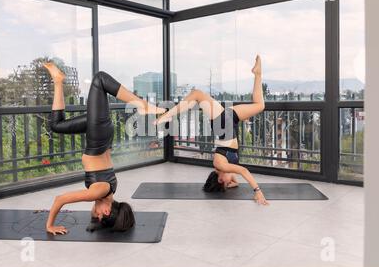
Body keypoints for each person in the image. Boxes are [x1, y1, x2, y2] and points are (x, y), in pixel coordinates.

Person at [43, 63, 165, 235]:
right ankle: (141, 104)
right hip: (98, 136)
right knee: (99, 79)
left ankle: (58, 80)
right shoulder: (98, 192)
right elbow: (60, 200)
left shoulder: (109, 190)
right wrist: (50, 225)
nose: (94, 214)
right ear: (106, 212)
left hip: (100, 136)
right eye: (97, 216)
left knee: (57, 125)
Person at [155, 56, 268, 205]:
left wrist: (258, 192)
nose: (231, 182)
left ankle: (166, 116)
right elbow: (234, 181)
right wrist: (230, 183)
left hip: (222, 124)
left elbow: (244, 172)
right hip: (230, 123)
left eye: (226, 183)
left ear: (220, 178)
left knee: (197, 94)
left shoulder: (220, 165)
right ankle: (258, 74)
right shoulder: (224, 170)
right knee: (260, 105)